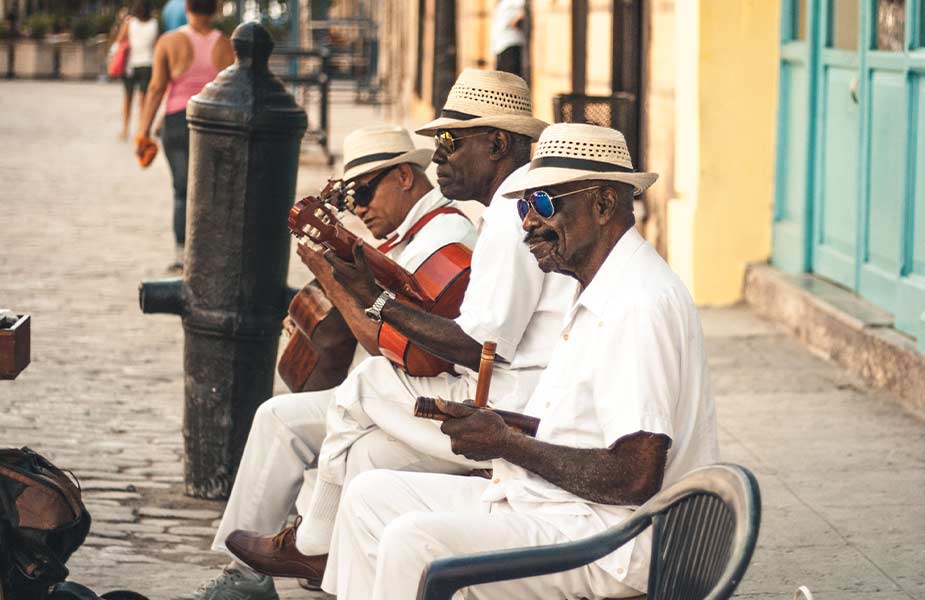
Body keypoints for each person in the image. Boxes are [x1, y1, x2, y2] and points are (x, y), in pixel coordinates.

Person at [321, 122, 719, 600]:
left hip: (614, 540)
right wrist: (495, 426)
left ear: (604, 204)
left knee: (415, 541)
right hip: (564, 508)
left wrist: (507, 444)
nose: (529, 222)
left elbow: (635, 475)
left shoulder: (637, 303)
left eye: (546, 204)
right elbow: (582, 428)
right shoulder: (598, 285)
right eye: (526, 206)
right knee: (370, 496)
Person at [221, 68, 578, 590]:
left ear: (498, 142)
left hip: (513, 399)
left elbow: (480, 344)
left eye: (451, 142)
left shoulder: (509, 213)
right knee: (365, 456)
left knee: (367, 386)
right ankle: (308, 564)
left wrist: (377, 299)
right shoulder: (510, 207)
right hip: (514, 387)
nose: (438, 158)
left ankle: (313, 542)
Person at [177, 124, 478, 600]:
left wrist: (327, 275)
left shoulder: (445, 236)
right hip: (403, 390)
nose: (358, 208)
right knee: (278, 416)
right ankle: (245, 572)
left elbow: (391, 345)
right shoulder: (406, 235)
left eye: (363, 191)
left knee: (348, 402)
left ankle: (311, 550)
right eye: (350, 197)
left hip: (428, 395)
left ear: (404, 176)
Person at [135, 0, 234, 272]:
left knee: (182, 190)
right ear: (215, 10)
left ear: (187, 8)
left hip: (178, 121)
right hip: (215, 123)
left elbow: (156, 88)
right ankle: (212, 251)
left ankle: (182, 255)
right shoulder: (226, 45)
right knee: (214, 190)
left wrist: (143, 131)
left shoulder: (168, 42)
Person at [115, 0, 158, 141]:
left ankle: (125, 129)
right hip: (148, 64)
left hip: (131, 65)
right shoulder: (154, 24)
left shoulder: (130, 22)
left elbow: (120, 39)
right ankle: (141, 129)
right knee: (143, 100)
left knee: (128, 98)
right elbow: (156, 44)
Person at [491, 0, 525, 76]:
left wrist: (515, 22)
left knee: (510, 76)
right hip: (500, 45)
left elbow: (524, 10)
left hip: (511, 42)